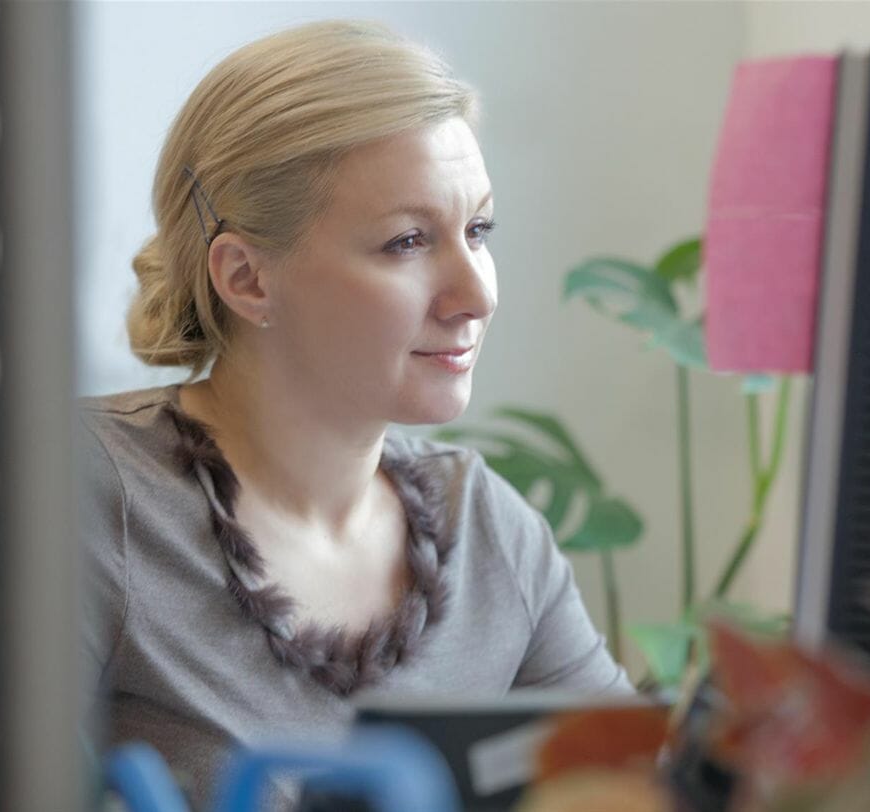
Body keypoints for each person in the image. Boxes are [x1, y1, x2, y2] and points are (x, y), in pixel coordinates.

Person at [78, 19, 632, 805]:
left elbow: (637, 788)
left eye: (478, 230)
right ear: (247, 278)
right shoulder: (85, 502)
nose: (476, 294)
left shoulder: (485, 532)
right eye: (407, 242)